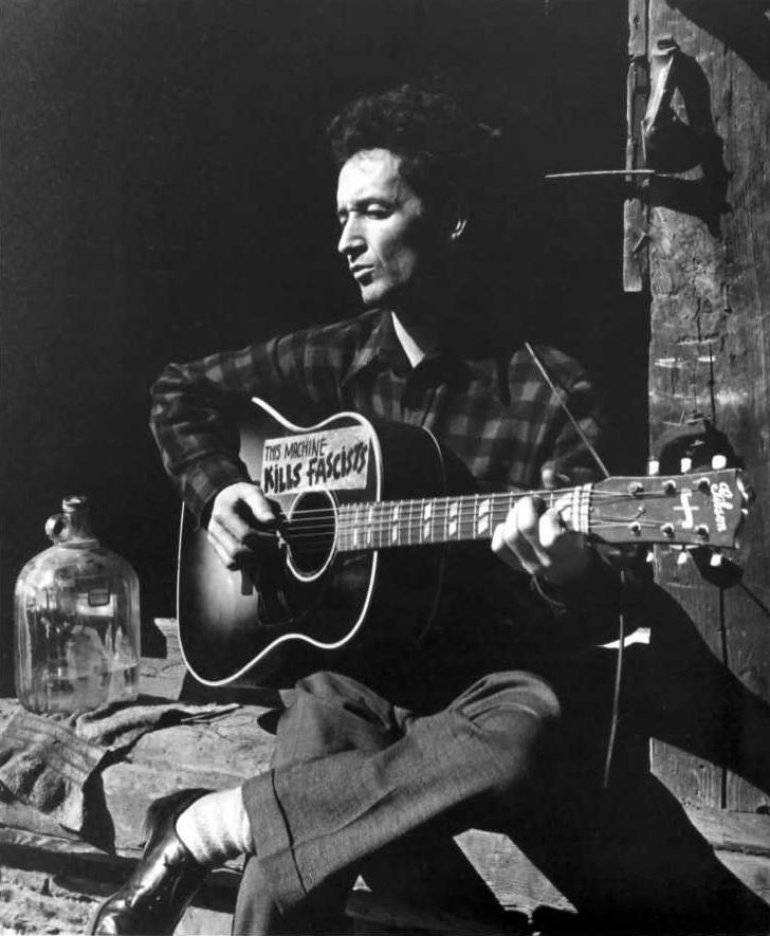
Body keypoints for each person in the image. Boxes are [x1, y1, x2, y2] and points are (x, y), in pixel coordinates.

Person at [91, 85, 770, 936]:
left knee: (524, 735)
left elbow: (617, 585)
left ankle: (206, 823)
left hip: (486, 692)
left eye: (373, 212)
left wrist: (566, 567)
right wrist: (221, 487)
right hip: (359, 676)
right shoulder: (334, 359)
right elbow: (178, 391)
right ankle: (253, 827)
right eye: (341, 216)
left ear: (448, 218)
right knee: (301, 814)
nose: (346, 240)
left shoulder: (543, 382)